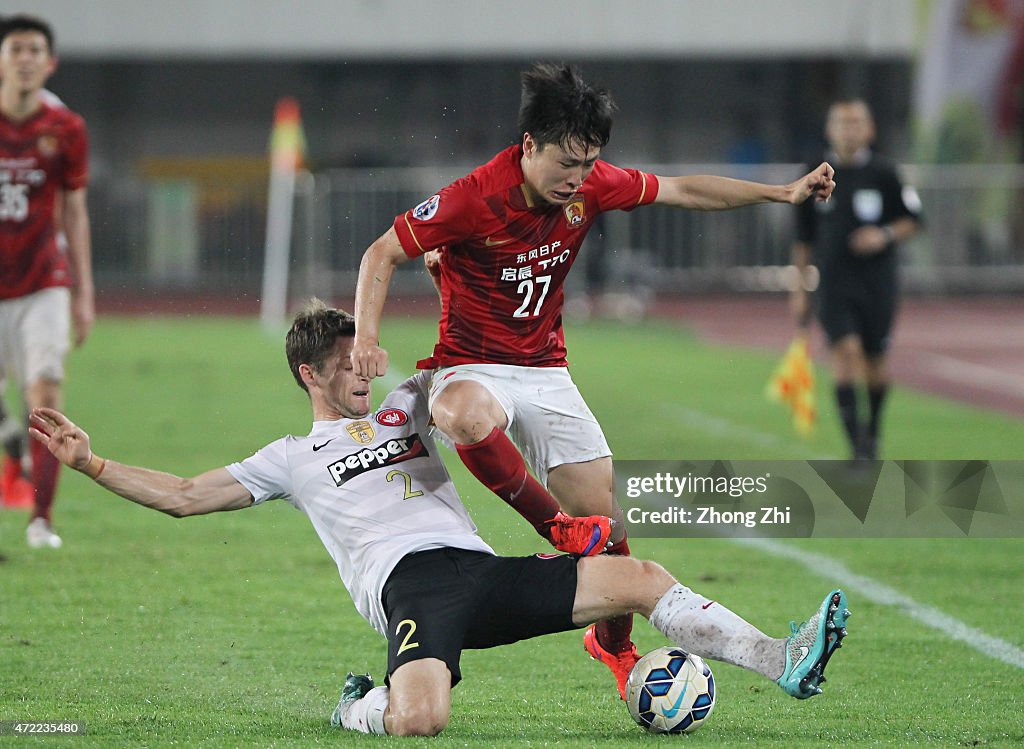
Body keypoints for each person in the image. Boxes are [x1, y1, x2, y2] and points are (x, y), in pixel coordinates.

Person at [29, 299, 851, 737]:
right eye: (349, 365)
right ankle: (358, 704)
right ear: (311, 375)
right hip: (412, 589)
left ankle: (780, 656)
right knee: (419, 719)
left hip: (478, 568)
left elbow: (468, 384)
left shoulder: (405, 403)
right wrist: (94, 464)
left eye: (367, 357)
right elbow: (181, 492)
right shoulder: (289, 455)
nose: (366, 370)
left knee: (639, 576)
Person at [351, 62, 836, 697]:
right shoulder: (473, 196)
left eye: (587, 164)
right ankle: (556, 529)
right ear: (528, 146)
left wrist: (781, 192)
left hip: (546, 371)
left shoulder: (590, 185)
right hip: (470, 366)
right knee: (465, 413)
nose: (575, 180)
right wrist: (365, 339)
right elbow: (381, 251)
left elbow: (685, 190)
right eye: (563, 164)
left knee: (612, 533)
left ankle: (615, 646)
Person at [0, 14, 94, 546]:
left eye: (36, 49)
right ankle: (10, 440)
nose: (27, 58)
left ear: (49, 62)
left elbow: (75, 212)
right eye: (16, 48)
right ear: (2, 60)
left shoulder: (65, 128)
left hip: (43, 280)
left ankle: (41, 517)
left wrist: (84, 292)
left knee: (44, 388)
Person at [791, 98, 922, 460]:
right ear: (829, 129)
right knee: (845, 353)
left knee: (875, 360)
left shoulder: (885, 172)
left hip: (878, 282)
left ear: (869, 129)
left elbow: (913, 219)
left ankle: (874, 432)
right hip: (834, 282)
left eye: (856, 123)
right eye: (841, 123)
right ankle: (857, 446)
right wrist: (800, 287)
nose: (849, 130)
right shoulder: (815, 174)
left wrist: (884, 235)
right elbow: (802, 238)